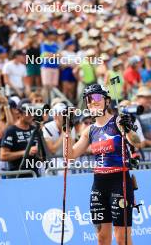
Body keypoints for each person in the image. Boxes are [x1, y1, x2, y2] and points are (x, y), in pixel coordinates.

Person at [63, 84, 141, 245]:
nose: (93, 102)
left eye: (97, 97)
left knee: (122, 238)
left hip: (120, 182)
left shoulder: (117, 121)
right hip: (99, 184)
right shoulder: (89, 130)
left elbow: (136, 142)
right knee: (102, 238)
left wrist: (128, 128)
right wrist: (67, 129)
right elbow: (70, 155)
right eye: (89, 100)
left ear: (107, 101)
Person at [0, 99, 41, 177]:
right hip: (16, 177)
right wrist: (25, 152)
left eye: (33, 111)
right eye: (28, 112)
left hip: (34, 176)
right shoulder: (11, 130)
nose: (31, 114)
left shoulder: (35, 129)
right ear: (19, 113)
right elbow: (3, 156)